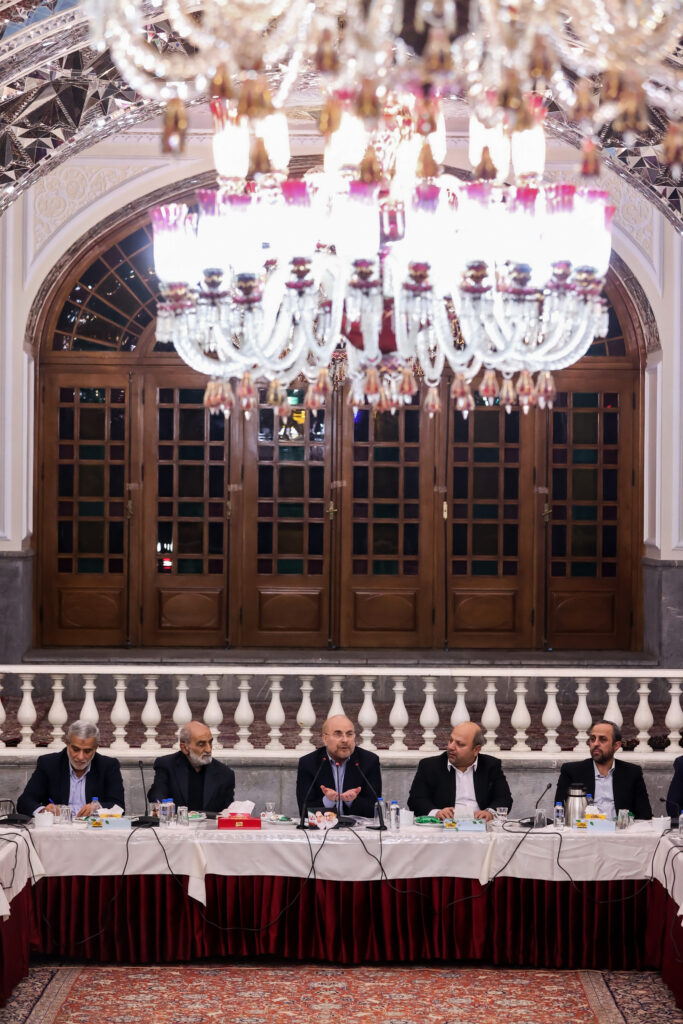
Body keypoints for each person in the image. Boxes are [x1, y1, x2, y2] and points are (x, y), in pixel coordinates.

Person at [407, 721, 512, 822]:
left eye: (460, 744)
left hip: (480, 826)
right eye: (450, 740)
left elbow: (504, 799)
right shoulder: (429, 766)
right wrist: (437, 813)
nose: (451, 747)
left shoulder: (490, 765)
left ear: (476, 750)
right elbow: (415, 801)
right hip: (443, 827)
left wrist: (489, 813)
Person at [17, 720, 124, 818]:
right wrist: (43, 810)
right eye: (76, 749)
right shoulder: (49, 764)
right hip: (57, 828)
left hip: (93, 828)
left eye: (87, 751)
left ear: (95, 748)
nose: (80, 757)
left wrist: (98, 808)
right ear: (67, 743)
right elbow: (24, 802)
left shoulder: (108, 766)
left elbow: (119, 806)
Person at [555, 719, 652, 819]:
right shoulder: (572, 772)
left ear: (616, 746)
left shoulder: (632, 773)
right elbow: (559, 811)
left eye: (602, 739)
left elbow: (645, 815)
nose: (596, 744)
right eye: (592, 739)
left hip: (620, 828)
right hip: (585, 828)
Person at [296, 714, 381, 819]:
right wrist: (328, 801)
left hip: (358, 828)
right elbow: (304, 812)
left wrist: (351, 801)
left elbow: (374, 809)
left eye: (349, 734)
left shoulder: (369, 761)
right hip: (323, 828)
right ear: (325, 739)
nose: (345, 740)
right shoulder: (308, 763)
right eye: (338, 734)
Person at [147, 720, 235, 813]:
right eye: (201, 744)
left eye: (210, 742)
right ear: (184, 748)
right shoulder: (167, 765)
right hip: (177, 822)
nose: (209, 749)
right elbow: (157, 796)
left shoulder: (225, 774)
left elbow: (228, 812)